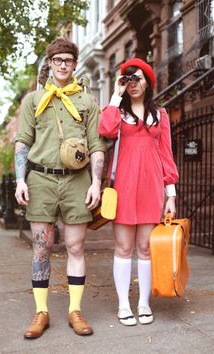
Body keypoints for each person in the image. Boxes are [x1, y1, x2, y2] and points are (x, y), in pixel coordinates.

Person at [15, 37, 106, 339]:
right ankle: (41, 312)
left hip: (76, 182)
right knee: (41, 248)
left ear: (74, 63)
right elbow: (22, 142)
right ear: (50, 63)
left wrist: (96, 182)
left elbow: (96, 145)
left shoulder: (87, 101)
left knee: (76, 247)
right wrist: (19, 179)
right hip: (40, 180)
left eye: (68, 59)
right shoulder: (33, 100)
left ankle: (74, 310)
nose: (63, 65)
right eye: (58, 60)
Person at [98, 58, 179, 326]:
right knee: (123, 247)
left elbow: (166, 155)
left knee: (145, 248)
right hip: (123, 186)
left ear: (148, 82)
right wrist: (114, 96)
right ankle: (124, 304)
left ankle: (143, 303)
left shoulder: (161, 115)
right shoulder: (117, 114)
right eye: (127, 79)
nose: (133, 84)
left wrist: (171, 195)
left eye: (137, 78)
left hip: (151, 187)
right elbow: (105, 130)